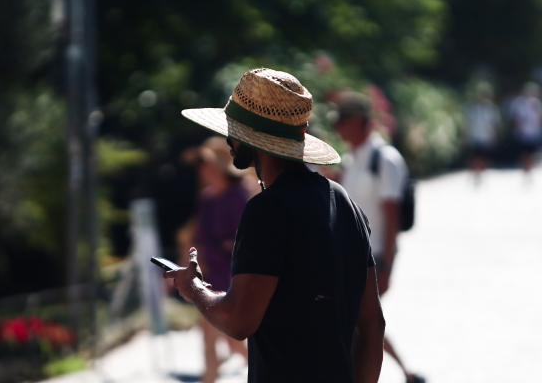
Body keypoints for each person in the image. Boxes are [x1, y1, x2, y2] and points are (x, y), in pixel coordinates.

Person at [164, 68, 385, 383]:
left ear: (251, 136)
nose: (228, 139)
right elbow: (372, 324)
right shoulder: (344, 202)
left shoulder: (267, 211)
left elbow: (239, 320)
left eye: (233, 129)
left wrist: (194, 289)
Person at [334, 92, 425, 383]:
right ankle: (406, 373)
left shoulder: (385, 159)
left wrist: (387, 264)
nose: (339, 128)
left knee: (357, 323)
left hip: (373, 258)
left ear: (363, 123)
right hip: (351, 255)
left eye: (345, 121)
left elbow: (391, 214)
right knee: (358, 323)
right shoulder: (352, 159)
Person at [187, 136, 251, 383]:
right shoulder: (206, 199)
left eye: (206, 163)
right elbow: (198, 239)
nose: (202, 169)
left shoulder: (239, 195)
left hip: (234, 277)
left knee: (232, 340)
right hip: (211, 276)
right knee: (210, 338)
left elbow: (245, 241)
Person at [465, 83, 501, 184]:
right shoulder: (472, 109)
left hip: (487, 137)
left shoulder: (491, 109)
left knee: (484, 157)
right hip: (475, 136)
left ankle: (481, 172)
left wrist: (495, 135)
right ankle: (476, 173)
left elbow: (495, 123)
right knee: (476, 156)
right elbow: (468, 123)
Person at [509, 82, 542, 175]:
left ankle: (529, 169)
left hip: (534, 132)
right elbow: (515, 117)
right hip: (523, 133)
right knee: (524, 152)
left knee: (531, 153)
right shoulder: (519, 103)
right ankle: (525, 168)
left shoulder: (537, 103)